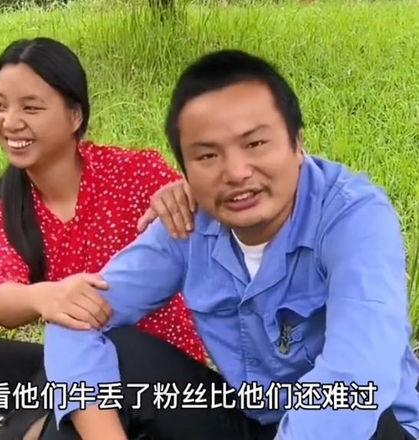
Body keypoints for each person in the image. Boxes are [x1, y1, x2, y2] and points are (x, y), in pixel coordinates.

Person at [45, 50, 419, 440]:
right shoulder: (187, 221)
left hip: (363, 427)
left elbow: (357, 377)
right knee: (107, 366)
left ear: (297, 143)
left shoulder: (354, 219)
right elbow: (74, 314)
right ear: (186, 172)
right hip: (256, 419)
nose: (237, 173)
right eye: (208, 155)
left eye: (255, 144)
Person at [0, 37, 206, 439]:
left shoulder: (135, 174)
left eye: (31, 107)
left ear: (75, 115)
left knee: (63, 412)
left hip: (151, 371)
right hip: (72, 361)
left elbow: (211, 208)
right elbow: (1, 297)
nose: (11, 122)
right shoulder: (4, 208)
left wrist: (186, 194)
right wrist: (46, 296)